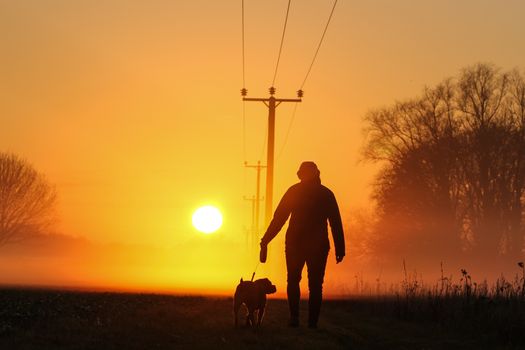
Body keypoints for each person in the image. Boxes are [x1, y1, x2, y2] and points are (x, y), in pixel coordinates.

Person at [259, 161, 345, 328]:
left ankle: (297, 319)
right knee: (311, 284)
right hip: (310, 245)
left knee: (297, 281)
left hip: (300, 244)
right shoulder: (325, 193)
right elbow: (279, 219)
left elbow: (279, 219)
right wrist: (265, 241)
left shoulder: (297, 191)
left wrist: (265, 241)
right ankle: (306, 321)